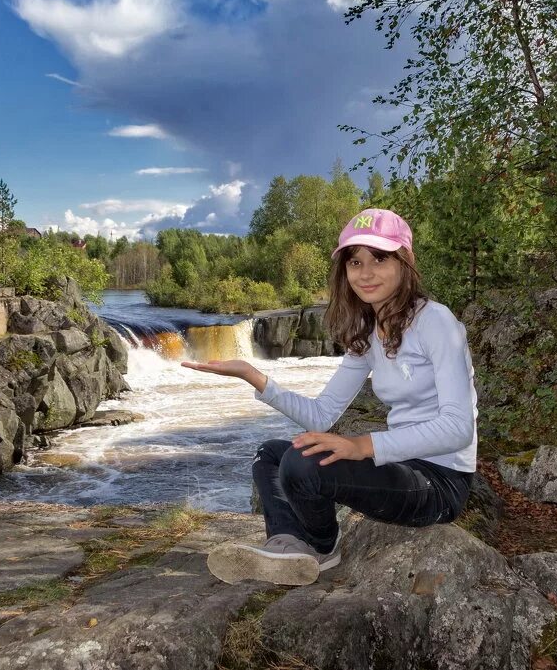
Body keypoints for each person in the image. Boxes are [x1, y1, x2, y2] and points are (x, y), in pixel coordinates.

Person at [182, 208, 478, 586]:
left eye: (380, 259)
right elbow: (321, 416)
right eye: (355, 261)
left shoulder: (436, 321)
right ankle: (288, 544)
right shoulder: (369, 332)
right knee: (272, 454)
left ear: (407, 262)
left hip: (438, 481)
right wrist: (254, 376)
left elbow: (457, 429)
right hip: (401, 462)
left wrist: (362, 446)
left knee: (301, 464)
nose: (366, 273)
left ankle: (321, 548)